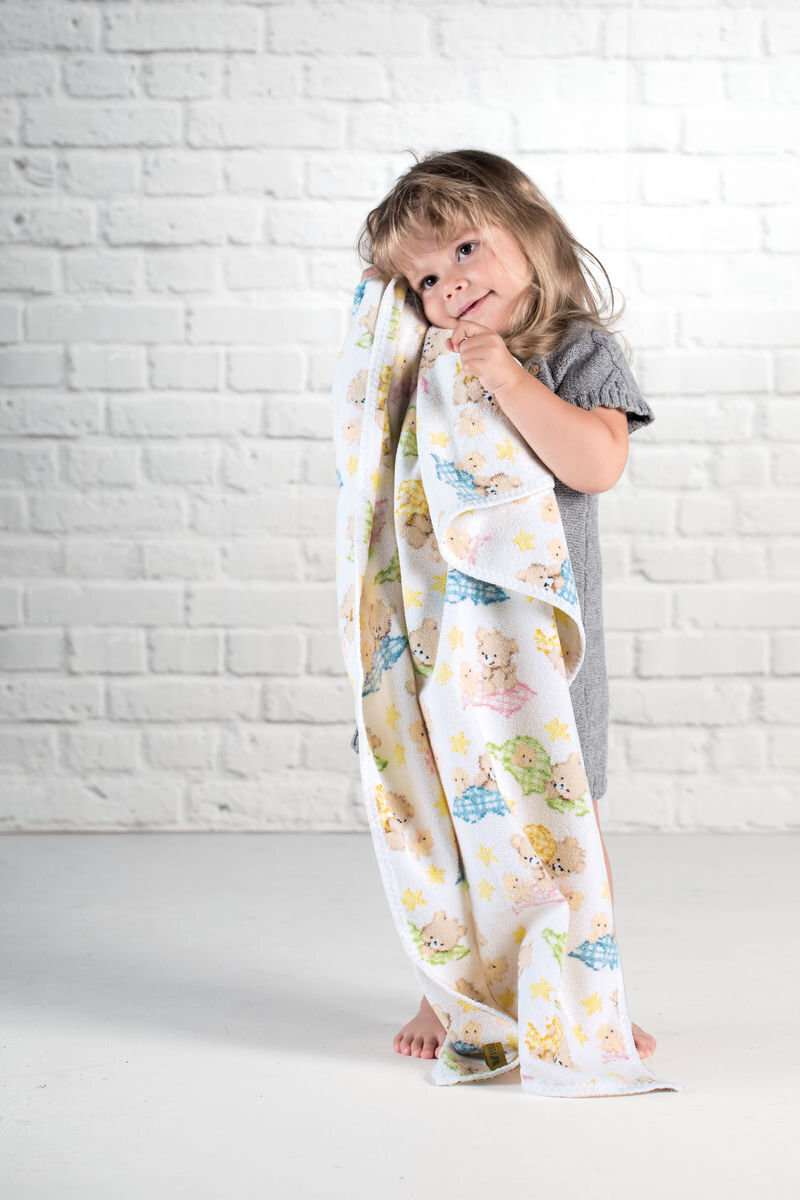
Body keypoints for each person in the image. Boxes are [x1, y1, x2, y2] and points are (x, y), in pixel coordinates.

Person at [349, 148, 657, 1065]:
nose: (448, 285)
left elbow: (595, 464)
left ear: (531, 235)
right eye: (425, 280)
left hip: (543, 656)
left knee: (565, 824)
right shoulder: (427, 366)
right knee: (448, 815)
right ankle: (450, 996)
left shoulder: (574, 350)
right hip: (446, 635)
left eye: (465, 250)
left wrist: (508, 378)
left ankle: (589, 998)